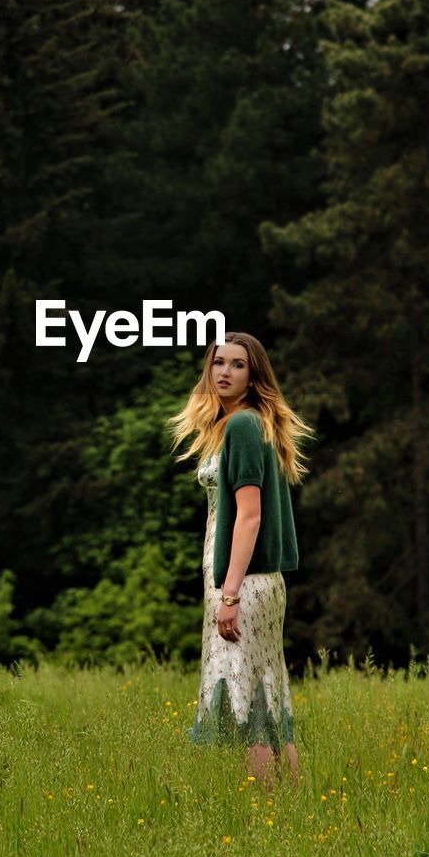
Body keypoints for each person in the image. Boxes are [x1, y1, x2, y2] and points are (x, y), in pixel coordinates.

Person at [168, 331, 313, 789]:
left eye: (237, 365)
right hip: (249, 581)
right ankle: (291, 808)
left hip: (243, 582)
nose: (224, 372)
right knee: (266, 695)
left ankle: (266, 813)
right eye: (217, 363)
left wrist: (229, 593)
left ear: (254, 377)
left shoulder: (243, 427)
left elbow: (248, 518)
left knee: (247, 701)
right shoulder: (241, 425)